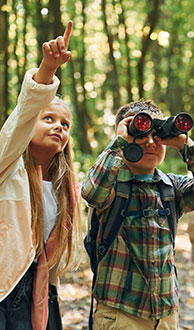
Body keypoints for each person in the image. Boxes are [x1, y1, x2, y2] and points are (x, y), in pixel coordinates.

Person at [81, 100, 194, 329]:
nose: (149, 142)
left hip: (165, 313)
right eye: (140, 134)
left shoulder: (171, 188)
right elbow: (92, 193)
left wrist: (184, 144)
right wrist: (118, 143)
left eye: (156, 135)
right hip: (120, 312)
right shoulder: (112, 185)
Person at [0, 21, 81, 330]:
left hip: (42, 293)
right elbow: (22, 115)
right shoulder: (7, 168)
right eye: (48, 118)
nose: (59, 127)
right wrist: (48, 69)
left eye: (65, 124)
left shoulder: (66, 188)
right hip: (5, 291)